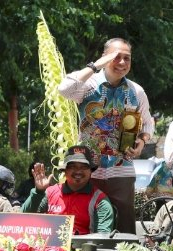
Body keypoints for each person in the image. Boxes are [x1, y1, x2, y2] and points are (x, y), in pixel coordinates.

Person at [58, 38, 154, 234]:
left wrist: (142, 142)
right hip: (89, 169)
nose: (122, 63)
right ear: (104, 57)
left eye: (127, 58)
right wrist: (95, 66)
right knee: (87, 218)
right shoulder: (88, 85)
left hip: (122, 170)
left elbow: (148, 122)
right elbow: (64, 89)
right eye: (116, 57)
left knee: (125, 224)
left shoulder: (136, 91)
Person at [21, 145, 115, 235]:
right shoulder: (50, 193)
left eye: (83, 167)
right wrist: (38, 191)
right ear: (65, 170)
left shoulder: (100, 200)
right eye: (72, 167)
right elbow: (22, 219)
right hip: (48, 249)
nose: (78, 171)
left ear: (90, 171)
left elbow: (102, 239)